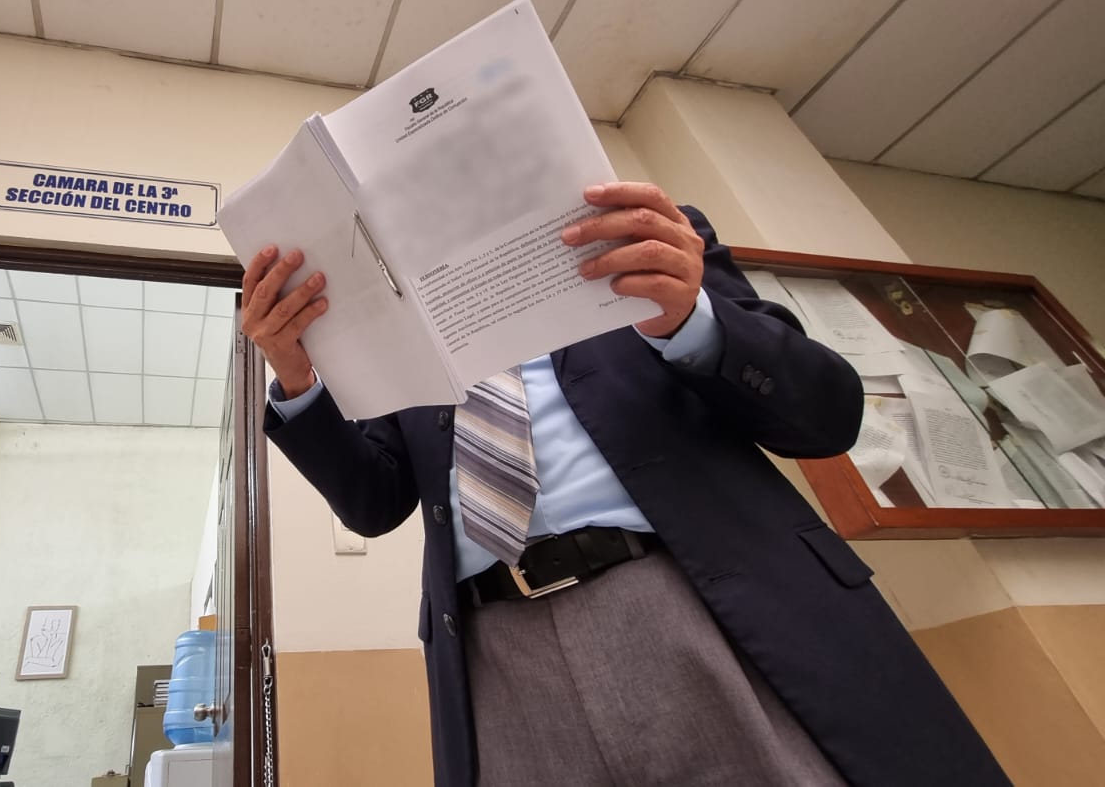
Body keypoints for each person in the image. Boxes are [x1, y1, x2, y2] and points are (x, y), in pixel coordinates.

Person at [242, 181, 1009, 787]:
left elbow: (826, 419)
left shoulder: (646, 247)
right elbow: (373, 502)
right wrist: (299, 381)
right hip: (494, 653)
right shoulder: (395, 323)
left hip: (694, 601)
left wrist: (691, 318)